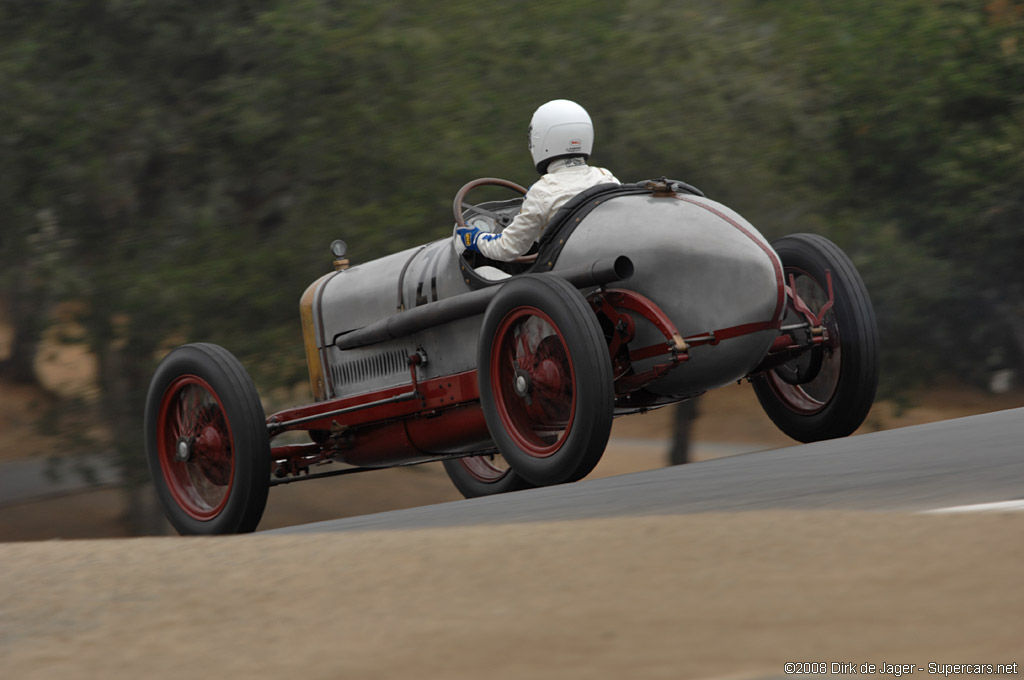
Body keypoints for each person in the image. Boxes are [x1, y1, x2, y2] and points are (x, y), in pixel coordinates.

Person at [457, 99, 620, 262]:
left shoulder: (542, 192)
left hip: (570, 273)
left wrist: (474, 239)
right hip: (611, 259)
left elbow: (506, 248)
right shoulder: (606, 177)